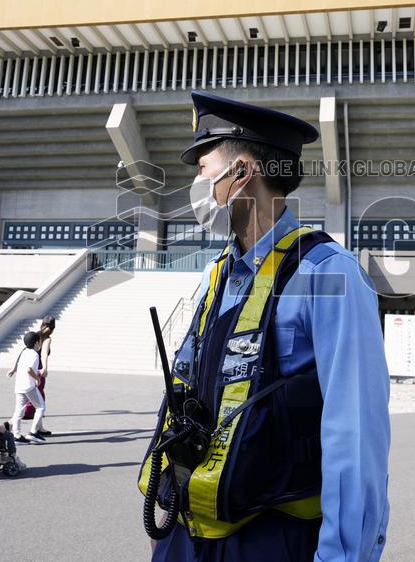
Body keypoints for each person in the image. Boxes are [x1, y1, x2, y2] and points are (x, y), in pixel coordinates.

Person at [138, 91, 391, 561]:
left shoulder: (328, 275)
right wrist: (165, 511)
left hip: (270, 537)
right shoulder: (219, 272)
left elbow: (355, 436)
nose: (197, 181)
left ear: (241, 173)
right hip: (186, 534)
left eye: (202, 166)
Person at [8, 331, 46, 444]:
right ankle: (33, 433)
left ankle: (16, 435)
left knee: (18, 411)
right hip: (29, 386)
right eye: (39, 342)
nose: (40, 344)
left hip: (19, 385)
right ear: (36, 343)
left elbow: (19, 363)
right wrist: (37, 378)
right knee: (40, 407)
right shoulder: (34, 354)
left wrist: (13, 370)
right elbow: (29, 370)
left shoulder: (24, 351)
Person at [20, 315, 55, 436]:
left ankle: (39, 427)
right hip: (39, 371)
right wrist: (45, 367)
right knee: (39, 400)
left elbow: (25, 351)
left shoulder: (36, 335)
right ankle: (33, 429)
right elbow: (44, 354)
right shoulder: (47, 338)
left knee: (38, 396)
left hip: (31, 369)